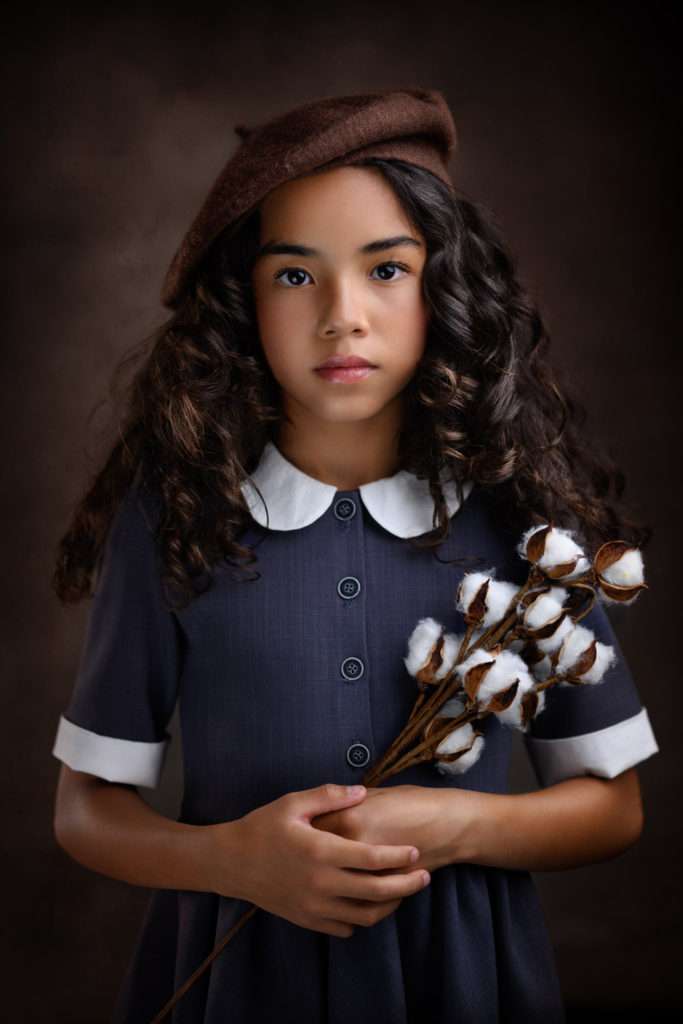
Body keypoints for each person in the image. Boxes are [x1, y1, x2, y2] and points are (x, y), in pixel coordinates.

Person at [50, 88, 659, 1023]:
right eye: (294, 276)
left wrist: (457, 827)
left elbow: (612, 807)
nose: (342, 315)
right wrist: (232, 859)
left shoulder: (523, 533)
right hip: (237, 984)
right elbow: (85, 809)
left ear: (444, 287)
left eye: (386, 270)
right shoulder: (174, 518)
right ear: (240, 303)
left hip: (463, 984)